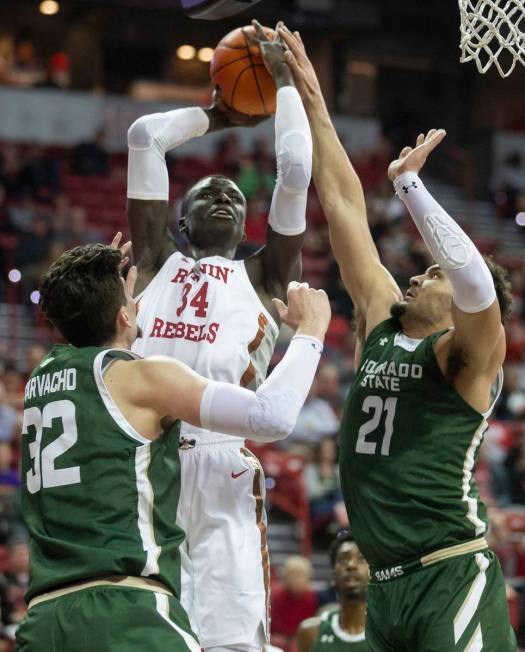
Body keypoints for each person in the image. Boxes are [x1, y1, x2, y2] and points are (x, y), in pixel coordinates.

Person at [280, 26, 517, 651]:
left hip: (449, 570)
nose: (418, 272)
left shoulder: (470, 357)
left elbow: (475, 283)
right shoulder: (382, 320)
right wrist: (314, 101)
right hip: (386, 587)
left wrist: (409, 185)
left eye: (432, 273)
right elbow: (343, 206)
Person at [15, 243, 330, 651]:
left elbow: (92, 337)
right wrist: (311, 333)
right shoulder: (140, 379)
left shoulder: (39, 380)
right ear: (124, 314)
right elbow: (271, 417)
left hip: (44, 618)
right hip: (123, 610)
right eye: (130, 298)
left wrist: (95, 289)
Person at [126, 20, 312, 652]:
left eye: (235, 196)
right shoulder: (154, 262)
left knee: (232, 639)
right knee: (145, 634)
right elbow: (145, 136)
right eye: (209, 194)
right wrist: (217, 114)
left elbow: (294, 170)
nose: (227, 199)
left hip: (225, 460)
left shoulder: (266, 275)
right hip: (149, 458)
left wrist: (283, 79)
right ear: (181, 216)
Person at [297, 530, 369, 652]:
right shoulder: (310, 631)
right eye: (343, 559)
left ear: (373, 573)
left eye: (361, 559)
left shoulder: (389, 633)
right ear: (333, 576)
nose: (351, 565)